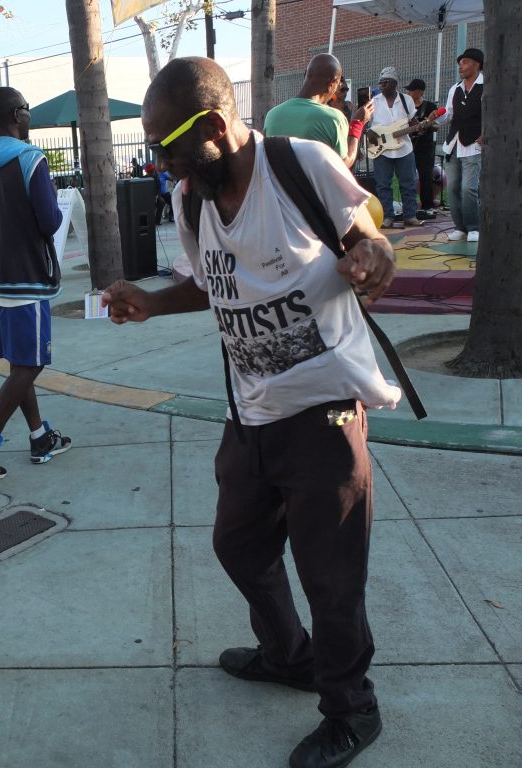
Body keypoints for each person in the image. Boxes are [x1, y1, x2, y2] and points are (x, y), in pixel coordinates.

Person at [103, 57, 400, 768]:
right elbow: (212, 285)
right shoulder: (193, 200)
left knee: (331, 577)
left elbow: (372, 237)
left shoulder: (300, 166)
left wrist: (373, 258)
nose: (160, 163)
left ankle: (351, 709)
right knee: (238, 546)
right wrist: (151, 302)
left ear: (212, 125)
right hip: (251, 415)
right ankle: (289, 656)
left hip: (325, 415)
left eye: (167, 146)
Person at [0, 87, 70, 480]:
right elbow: (50, 221)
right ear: (15, 115)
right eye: (26, 109)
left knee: (20, 363)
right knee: (31, 364)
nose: (29, 115)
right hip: (29, 277)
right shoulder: (30, 158)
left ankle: (40, 437)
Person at [264, 54, 373, 169]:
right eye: (337, 85)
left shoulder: (272, 115)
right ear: (331, 84)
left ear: (306, 77)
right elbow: (341, 166)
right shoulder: (333, 118)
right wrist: (357, 123)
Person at [429, 48, 483, 242]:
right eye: (460, 63)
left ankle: (474, 227)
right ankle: (460, 228)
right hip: (453, 146)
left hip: (473, 146)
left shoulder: (487, 87)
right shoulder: (455, 89)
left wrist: (487, 133)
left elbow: (494, 113)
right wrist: (437, 116)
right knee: (452, 189)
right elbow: (449, 114)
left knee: (469, 189)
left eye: (465, 62)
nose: (461, 66)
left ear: (477, 64)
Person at [368, 67, 421, 228]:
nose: (382, 85)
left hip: (404, 149)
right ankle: (387, 217)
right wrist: (369, 133)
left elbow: (413, 122)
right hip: (381, 150)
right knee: (383, 185)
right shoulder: (374, 102)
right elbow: (364, 124)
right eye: (380, 82)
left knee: (408, 183)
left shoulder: (406, 100)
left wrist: (421, 127)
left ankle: (410, 215)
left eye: (386, 82)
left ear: (394, 83)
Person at [404, 79, 439, 220]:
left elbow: (436, 125)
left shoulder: (430, 106)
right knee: (407, 178)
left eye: (411, 90)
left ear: (419, 92)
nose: (408, 92)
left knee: (426, 176)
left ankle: (428, 206)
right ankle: (409, 206)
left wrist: (428, 124)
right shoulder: (405, 107)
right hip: (408, 147)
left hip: (425, 148)